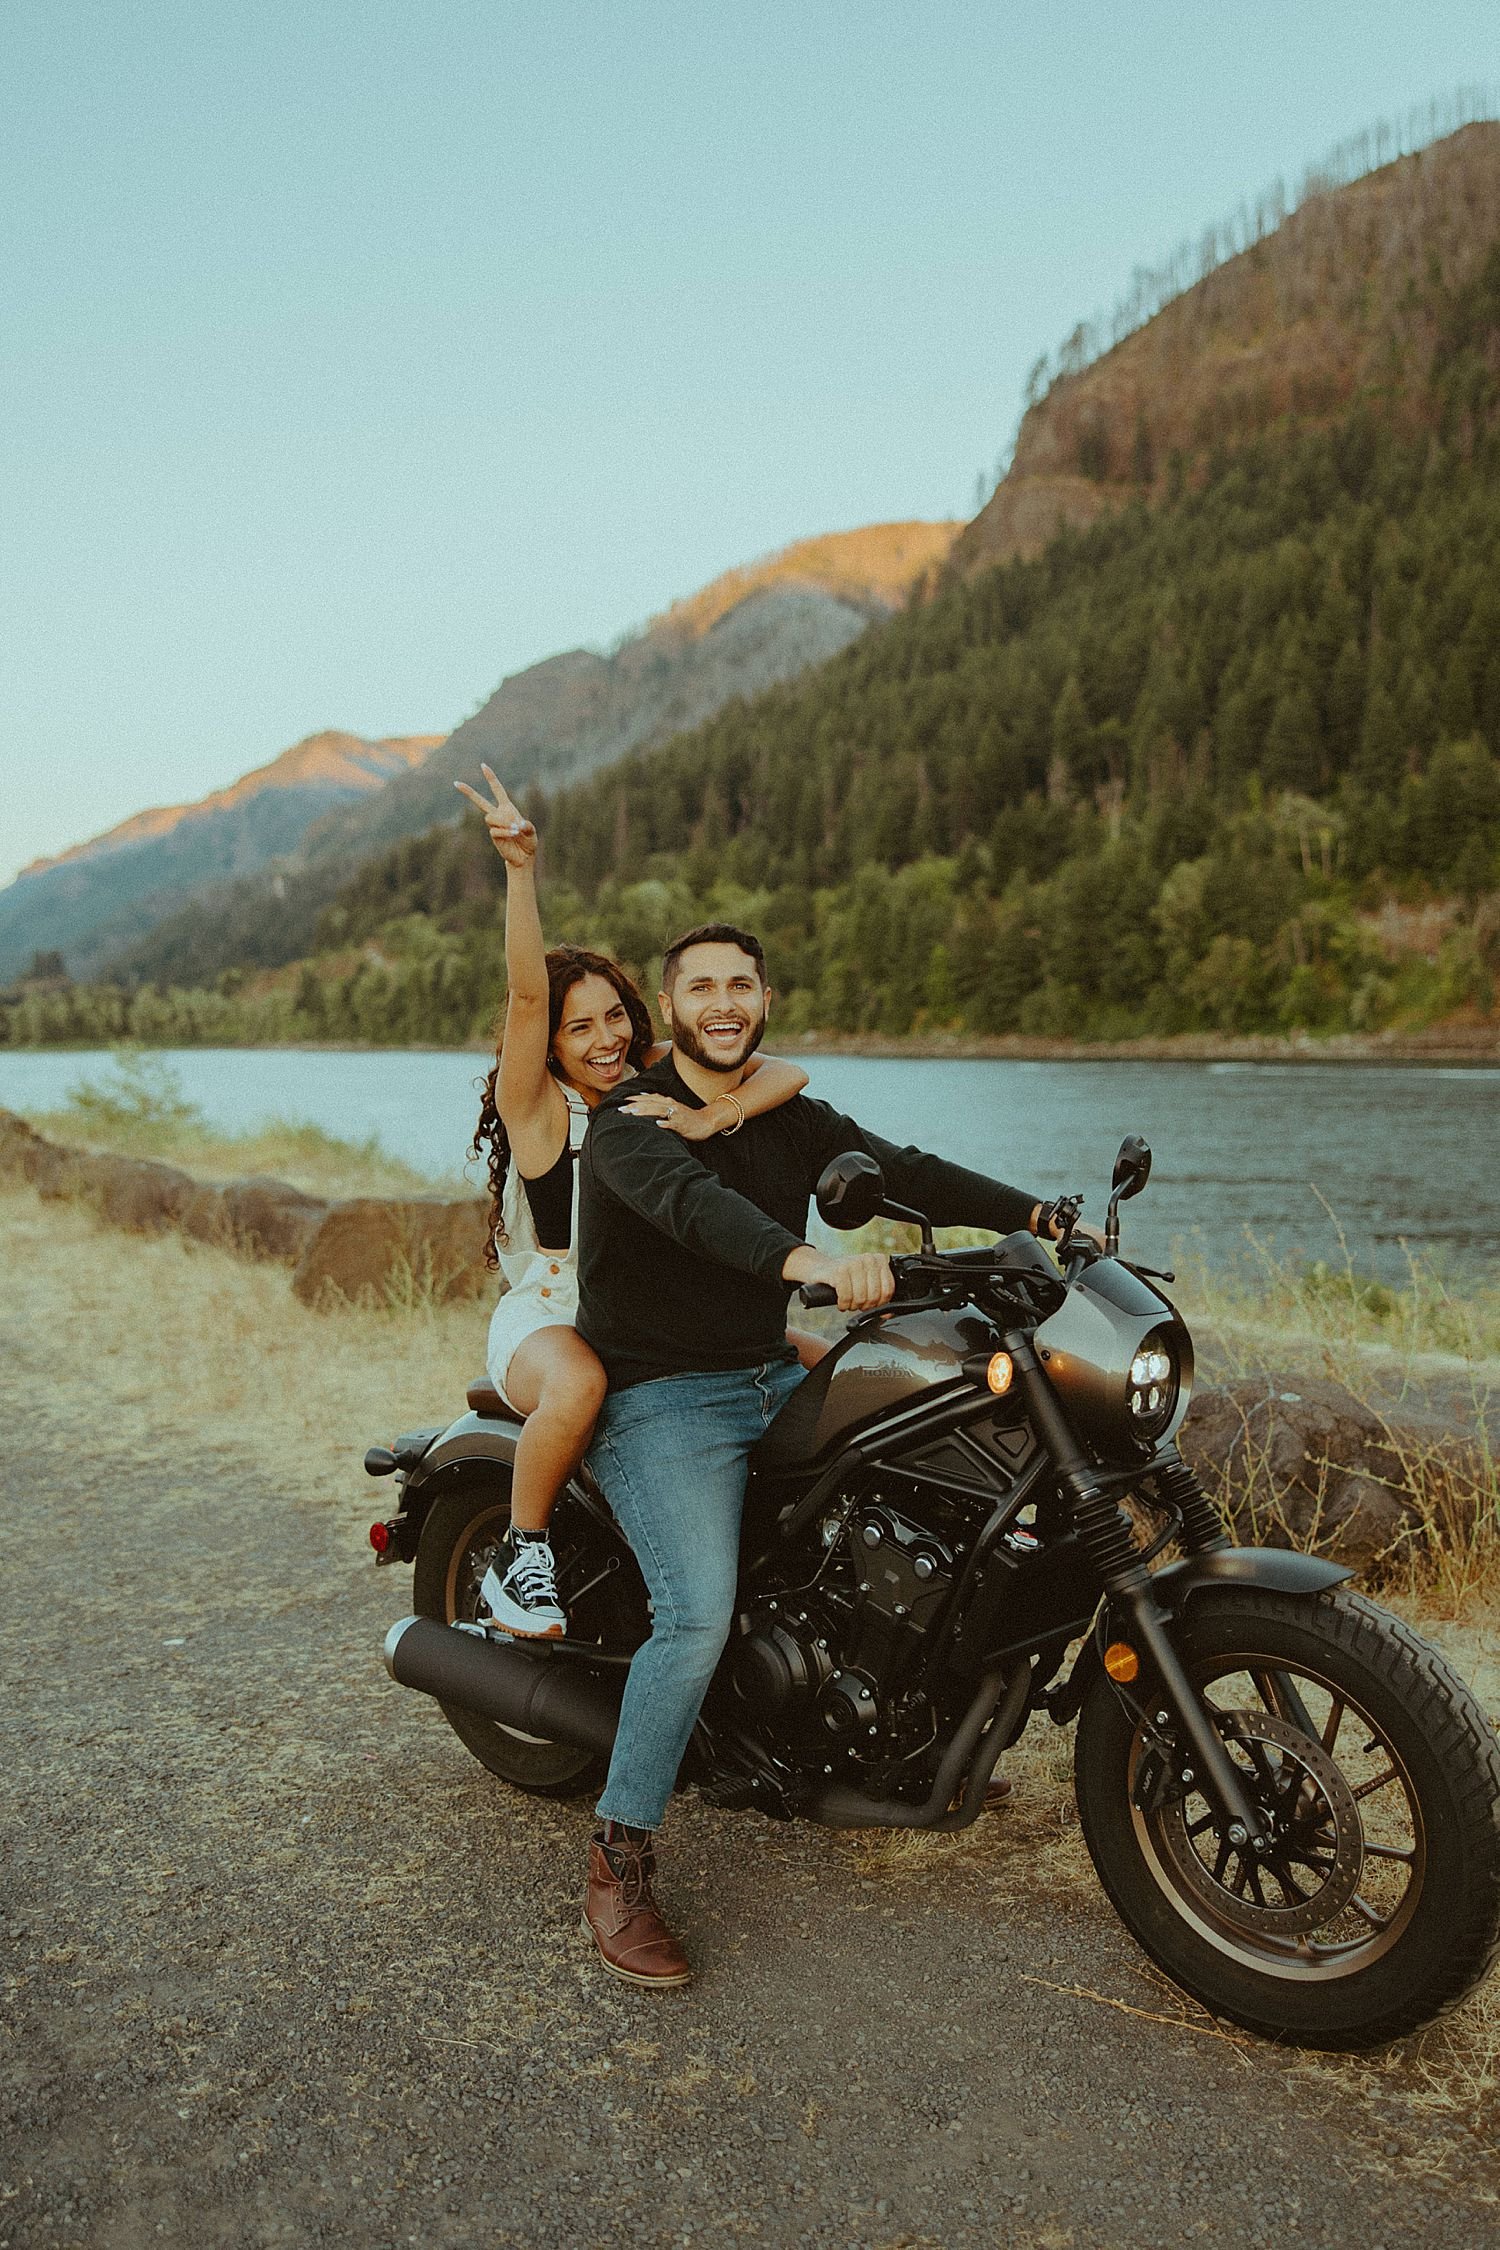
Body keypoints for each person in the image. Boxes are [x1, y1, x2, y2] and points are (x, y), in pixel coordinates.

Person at [572, 921, 1064, 1987]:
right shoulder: (628, 1122)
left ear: (763, 996)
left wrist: (1037, 1215)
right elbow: (699, 1213)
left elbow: (901, 1170)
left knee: (935, 1482)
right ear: (672, 1008)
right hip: (661, 1400)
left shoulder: (789, 1112)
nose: (724, 1002)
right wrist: (813, 1263)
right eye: (701, 986)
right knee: (696, 1613)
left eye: (740, 984)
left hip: (770, 1374)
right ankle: (619, 1852)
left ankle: (912, 1729)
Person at [455, 767, 810, 1638]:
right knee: (579, 1383)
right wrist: (521, 870)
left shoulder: (657, 1093)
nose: (605, 1038)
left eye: (615, 1016)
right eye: (580, 1029)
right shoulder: (540, 1112)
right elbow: (529, 992)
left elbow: (788, 1072)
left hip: (646, 1313)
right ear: (550, 1046)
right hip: (553, 1318)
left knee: (815, 1357)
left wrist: (717, 1111)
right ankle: (523, 1552)